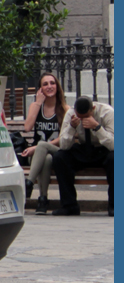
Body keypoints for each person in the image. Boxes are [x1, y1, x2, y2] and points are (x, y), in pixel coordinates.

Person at [51, 95, 114, 217]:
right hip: (83, 149)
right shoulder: (71, 114)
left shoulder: (107, 112)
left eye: (86, 116)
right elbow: (63, 146)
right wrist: (71, 127)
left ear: (93, 108)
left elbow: (114, 145)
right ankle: (70, 206)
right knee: (60, 157)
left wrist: (97, 127)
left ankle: (114, 205)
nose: (83, 119)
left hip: (103, 150)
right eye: (81, 117)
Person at [18, 72, 68, 215]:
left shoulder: (65, 109)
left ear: (57, 87)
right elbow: (27, 127)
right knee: (46, 158)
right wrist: (38, 103)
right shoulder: (36, 106)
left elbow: (63, 137)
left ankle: (29, 182)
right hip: (36, 156)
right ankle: (42, 199)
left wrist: (38, 146)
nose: (49, 86)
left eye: (52, 83)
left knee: (43, 147)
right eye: (45, 84)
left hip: (55, 151)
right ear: (40, 89)